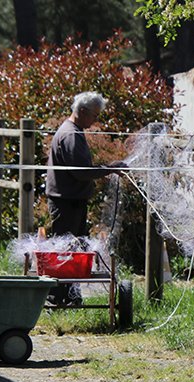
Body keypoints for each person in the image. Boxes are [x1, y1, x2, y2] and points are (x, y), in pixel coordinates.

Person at [45, 91, 126, 305]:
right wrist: (110, 169)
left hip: (70, 199)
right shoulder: (71, 135)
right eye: (94, 115)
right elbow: (81, 172)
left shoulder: (73, 131)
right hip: (66, 201)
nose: (95, 120)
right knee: (64, 249)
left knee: (74, 249)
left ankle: (70, 294)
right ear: (82, 111)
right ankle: (57, 296)